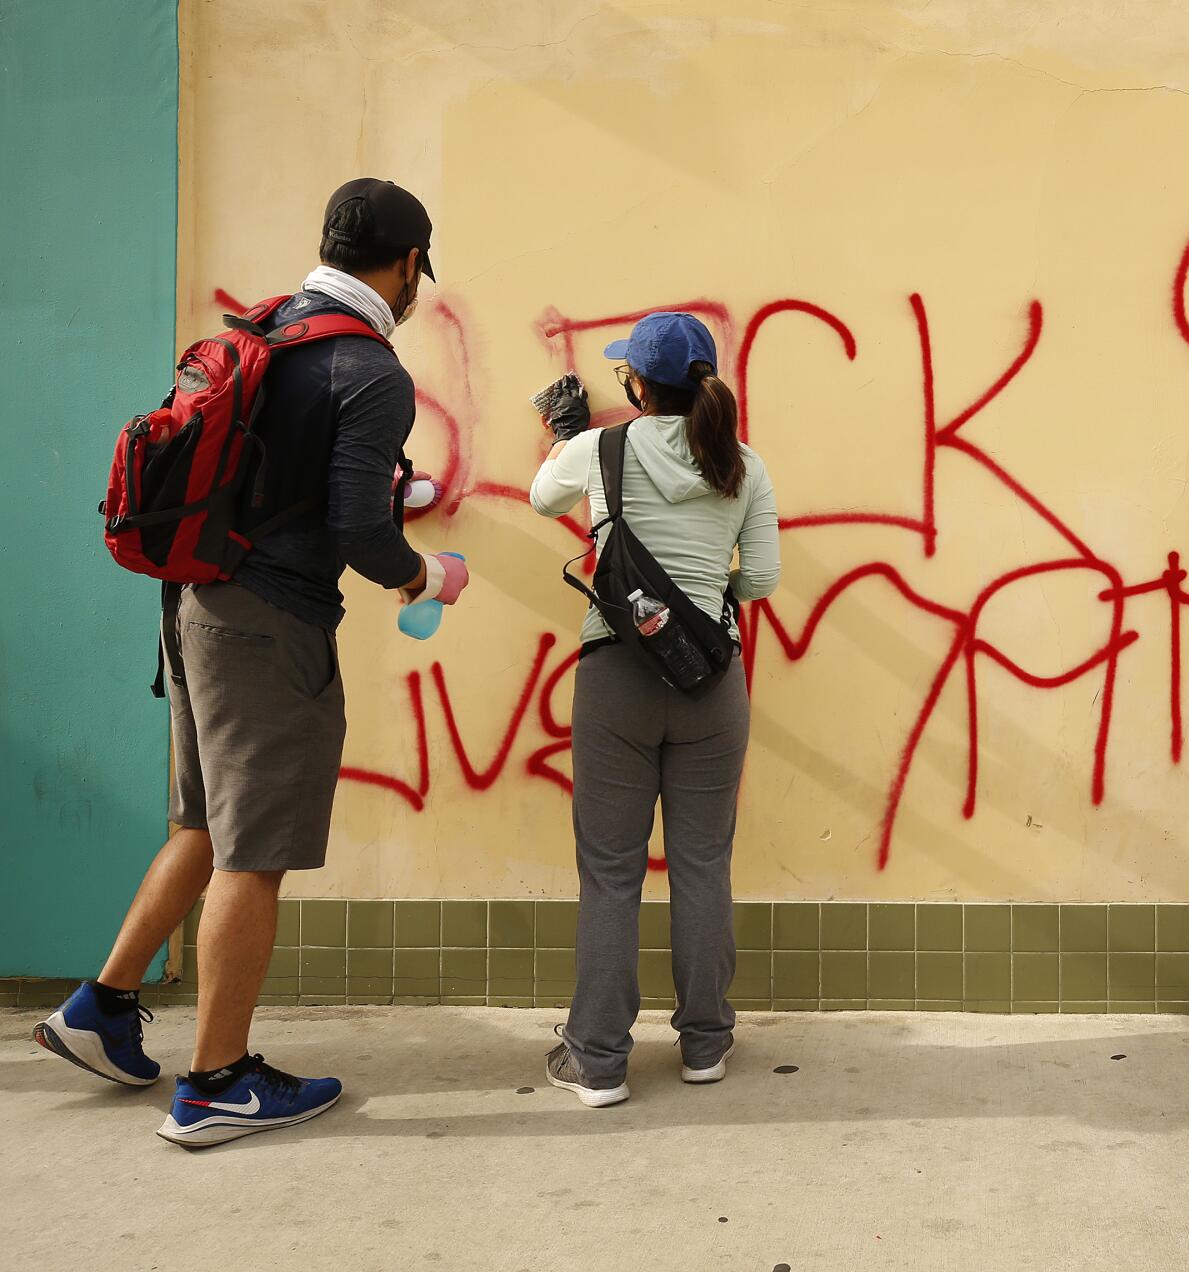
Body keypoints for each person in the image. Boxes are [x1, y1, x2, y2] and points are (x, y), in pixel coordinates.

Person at [34, 178, 469, 1146]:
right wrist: (425, 572)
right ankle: (217, 1082)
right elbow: (357, 524)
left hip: (194, 604)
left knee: (202, 821)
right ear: (403, 266)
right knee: (254, 851)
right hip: (270, 624)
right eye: (415, 274)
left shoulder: (269, 335)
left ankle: (101, 1011)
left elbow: (294, 478)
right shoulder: (371, 369)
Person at [529, 311, 779, 1107]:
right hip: (711, 682)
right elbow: (763, 581)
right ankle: (705, 1046)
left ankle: (597, 1060)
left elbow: (542, 499)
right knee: (703, 864)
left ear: (635, 383)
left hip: (614, 679)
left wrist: (566, 438)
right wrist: (700, 606)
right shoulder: (743, 465)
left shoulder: (599, 450)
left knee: (610, 874)